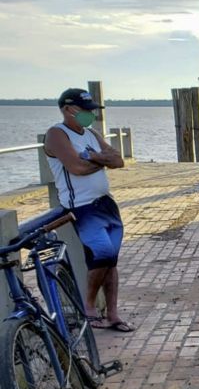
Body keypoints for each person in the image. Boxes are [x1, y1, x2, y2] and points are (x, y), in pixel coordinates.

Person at [44, 88, 133, 332]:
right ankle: (89, 307)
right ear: (67, 109)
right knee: (101, 254)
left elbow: (119, 161)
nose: (90, 115)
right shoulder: (57, 135)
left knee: (111, 260)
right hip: (82, 207)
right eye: (85, 110)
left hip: (106, 203)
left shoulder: (91, 134)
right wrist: (100, 159)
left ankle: (113, 314)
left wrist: (92, 156)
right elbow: (76, 168)